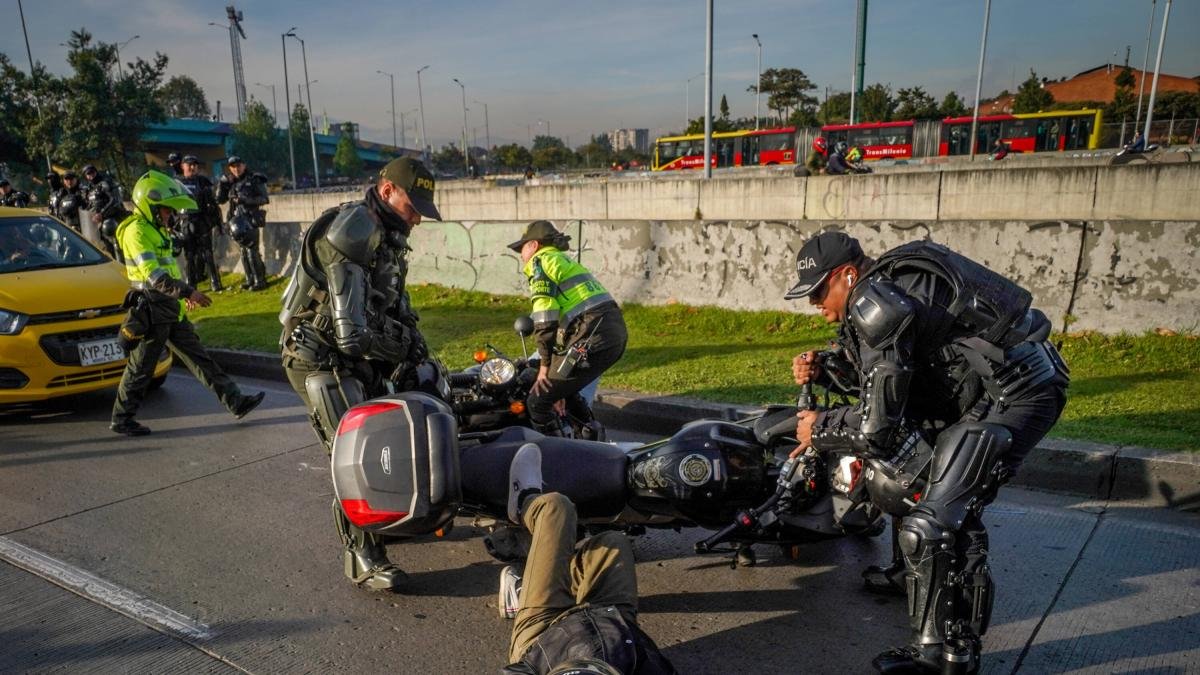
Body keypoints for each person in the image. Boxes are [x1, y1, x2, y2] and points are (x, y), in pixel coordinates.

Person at [786, 231, 1068, 674]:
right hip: (990, 388)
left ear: (846, 275)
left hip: (1015, 395)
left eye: (819, 291)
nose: (815, 305)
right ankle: (911, 577)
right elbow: (892, 380)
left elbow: (877, 427)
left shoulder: (874, 302)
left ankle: (941, 653)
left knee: (935, 520)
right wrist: (827, 368)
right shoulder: (890, 287)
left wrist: (818, 428)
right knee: (913, 472)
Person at [279, 157, 440, 591]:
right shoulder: (352, 230)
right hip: (319, 358)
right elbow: (351, 333)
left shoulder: (388, 233)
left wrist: (416, 347)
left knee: (398, 435)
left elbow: (391, 301)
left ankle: (388, 516)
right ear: (387, 190)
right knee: (354, 452)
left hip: (358, 358)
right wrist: (401, 345)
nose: (419, 216)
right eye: (413, 204)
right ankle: (362, 554)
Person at [110, 170, 265, 436]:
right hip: (152, 310)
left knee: (200, 358)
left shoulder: (152, 229)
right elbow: (155, 276)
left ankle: (235, 401)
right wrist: (187, 293)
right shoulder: (136, 231)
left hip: (168, 307)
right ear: (151, 207)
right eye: (166, 211)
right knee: (141, 367)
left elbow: (169, 270)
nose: (170, 215)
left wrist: (181, 297)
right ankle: (122, 418)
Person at [502, 443, 675, 675]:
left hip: (542, 638)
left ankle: (524, 501)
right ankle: (548, 580)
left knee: (555, 508)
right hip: (614, 627)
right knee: (613, 543)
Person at [507, 220, 626, 438]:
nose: (521, 255)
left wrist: (545, 366)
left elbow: (545, 319)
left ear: (533, 245)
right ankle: (591, 440)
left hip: (592, 335)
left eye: (521, 248)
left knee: (538, 400)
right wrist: (552, 374)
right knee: (560, 391)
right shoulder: (561, 260)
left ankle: (557, 458)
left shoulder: (540, 262)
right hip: (607, 332)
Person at [216, 156, 269, 291]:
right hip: (236, 221)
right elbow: (219, 200)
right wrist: (222, 185)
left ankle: (259, 281)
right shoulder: (230, 182)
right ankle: (249, 279)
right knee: (244, 252)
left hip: (251, 219)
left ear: (244, 165)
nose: (236, 169)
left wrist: (245, 200)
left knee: (252, 251)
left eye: (238, 165)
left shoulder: (254, 179)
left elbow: (264, 199)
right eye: (233, 167)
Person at [176, 155, 225, 291]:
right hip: (185, 222)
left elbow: (214, 205)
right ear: (183, 166)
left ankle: (215, 282)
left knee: (208, 254)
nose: (192, 167)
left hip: (201, 222)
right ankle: (191, 284)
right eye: (189, 164)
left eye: (195, 165)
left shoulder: (203, 181)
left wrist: (218, 223)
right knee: (189, 256)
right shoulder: (177, 183)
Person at [82, 164, 128, 260]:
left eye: (92, 172)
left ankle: (124, 267)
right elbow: (90, 205)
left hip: (113, 220)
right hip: (99, 225)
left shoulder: (105, 183)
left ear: (96, 172)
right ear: (85, 176)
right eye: (88, 174)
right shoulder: (89, 189)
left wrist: (102, 213)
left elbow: (114, 200)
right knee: (108, 248)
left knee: (118, 247)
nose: (91, 175)